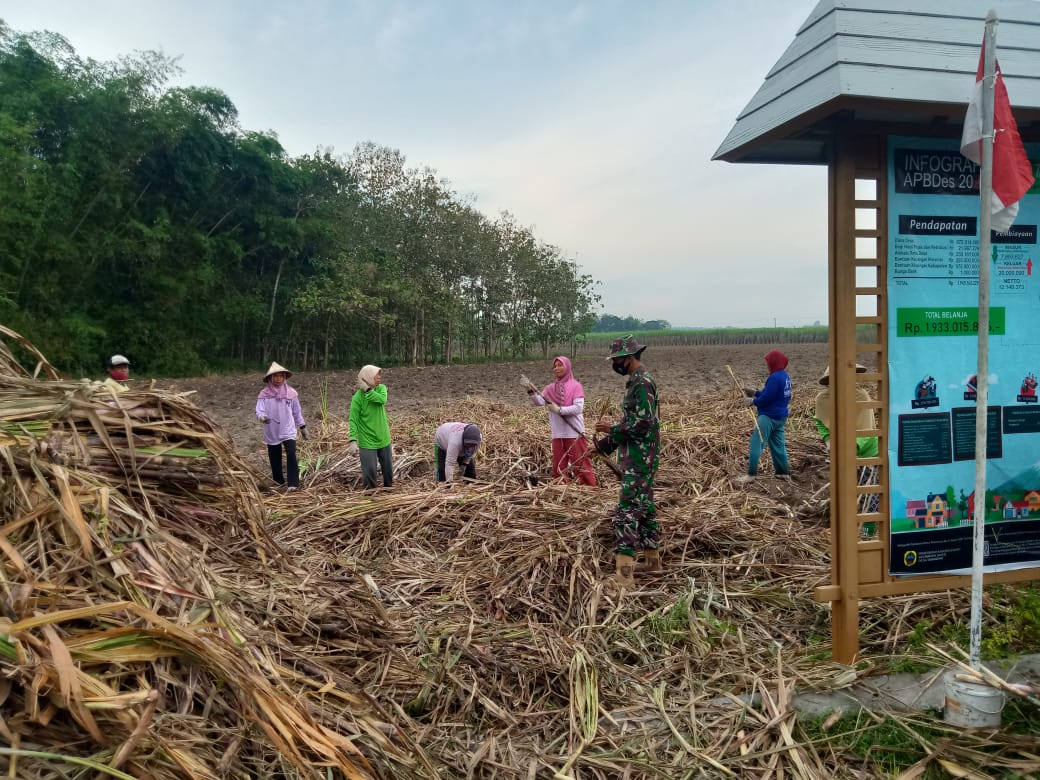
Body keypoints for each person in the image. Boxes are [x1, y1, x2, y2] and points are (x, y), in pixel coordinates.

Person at [594, 335, 661, 588]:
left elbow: (642, 425)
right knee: (645, 508)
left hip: (640, 458)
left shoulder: (642, 383)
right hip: (638, 454)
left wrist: (611, 429)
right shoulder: (636, 382)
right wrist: (604, 445)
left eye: (617, 359)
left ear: (629, 358)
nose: (615, 364)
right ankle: (653, 563)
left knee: (627, 511)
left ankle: (624, 576)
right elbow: (630, 426)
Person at [814, 365, 880, 528]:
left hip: (866, 455)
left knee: (869, 497)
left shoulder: (861, 396)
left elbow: (867, 429)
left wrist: (851, 448)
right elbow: (820, 422)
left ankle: (867, 533)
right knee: (845, 495)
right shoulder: (823, 399)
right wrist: (829, 440)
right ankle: (846, 530)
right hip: (841, 455)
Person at [526, 356, 597, 486]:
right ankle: (561, 488)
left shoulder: (576, 386)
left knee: (580, 463)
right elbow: (540, 402)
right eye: (555, 366)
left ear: (567, 367)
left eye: (560, 365)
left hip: (573, 432)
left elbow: (578, 408)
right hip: (557, 433)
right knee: (559, 464)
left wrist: (559, 410)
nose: (557, 368)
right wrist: (530, 391)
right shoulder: (550, 388)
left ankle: (590, 487)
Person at [738, 349, 792, 483]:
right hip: (780, 417)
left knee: (756, 443)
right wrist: (755, 392)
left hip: (768, 417)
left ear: (774, 362)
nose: (767, 365)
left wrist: (752, 402)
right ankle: (783, 472)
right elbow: (772, 395)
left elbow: (767, 398)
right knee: (779, 445)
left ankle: (751, 474)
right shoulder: (784, 377)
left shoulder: (774, 378)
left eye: (768, 362)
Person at [256, 362, 307, 491]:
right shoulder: (264, 395)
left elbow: (296, 412)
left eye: (280, 376)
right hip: (272, 430)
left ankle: (293, 484)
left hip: (288, 429)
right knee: (274, 457)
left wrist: (302, 426)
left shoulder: (291, 394)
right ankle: (279, 481)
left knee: (291, 453)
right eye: (275, 376)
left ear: (285, 377)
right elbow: (259, 410)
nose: (278, 379)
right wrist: (262, 417)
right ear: (270, 378)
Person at [348, 364, 393, 489]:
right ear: (367, 377)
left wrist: (368, 390)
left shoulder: (382, 388)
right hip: (367, 441)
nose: (379, 377)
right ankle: (371, 497)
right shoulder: (357, 398)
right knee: (370, 474)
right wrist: (352, 440)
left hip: (384, 438)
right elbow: (353, 420)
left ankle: (389, 493)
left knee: (388, 472)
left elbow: (382, 400)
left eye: (380, 374)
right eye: (376, 374)